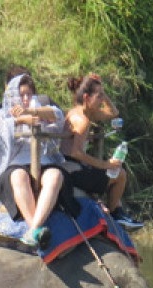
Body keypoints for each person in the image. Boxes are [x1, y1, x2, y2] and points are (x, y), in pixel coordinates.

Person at [0, 73, 72, 247]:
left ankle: (33, 230)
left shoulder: (41, 111)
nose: (24, 99)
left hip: (44, 162)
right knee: (18, 177)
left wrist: (30, 112)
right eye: (21, 95)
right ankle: (35, 227)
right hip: (16, 165)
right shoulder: (3, 115)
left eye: (28, 94)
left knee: (55, 176)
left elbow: (58, 115)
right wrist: (18, 121)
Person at [60, 73, 143, 229]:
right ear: (86, 98)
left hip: (72, 165)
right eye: (98, 97)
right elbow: (75, 152)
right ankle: (114, 215)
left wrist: (102, 93)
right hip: (72, 169)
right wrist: (105, 164)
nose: (101, 101)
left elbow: (113, 112)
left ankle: (117, 211)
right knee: (120, 174)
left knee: (113, 171)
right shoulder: (82, 120)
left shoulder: (79, 112)